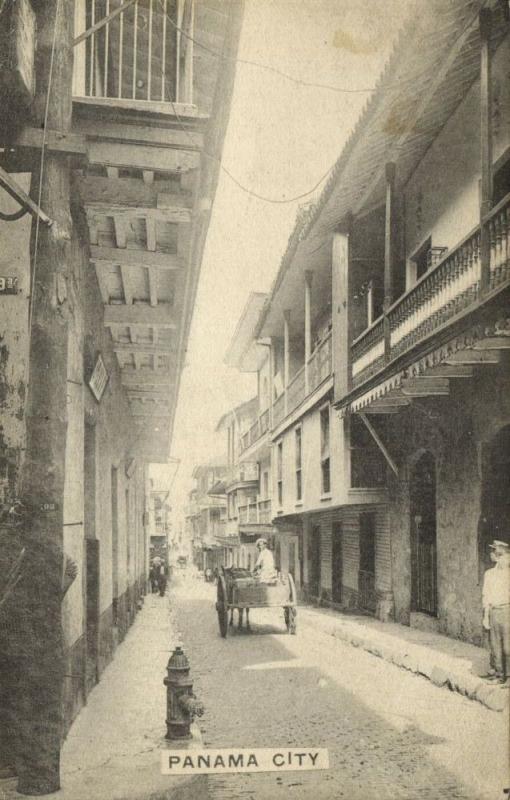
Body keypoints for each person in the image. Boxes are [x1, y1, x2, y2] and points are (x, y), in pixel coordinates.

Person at [0, 500, 78, 794]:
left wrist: (51, 598)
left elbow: (70, 569)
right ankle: (32, 774)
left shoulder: (28, 551)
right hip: (38, 643)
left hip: (23, 642)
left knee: (23, 708)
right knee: (34, 711)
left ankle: (29, 775)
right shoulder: (42, 550)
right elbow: (71, 569)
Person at [481, 539, 510, 685]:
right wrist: (486, 616)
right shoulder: (489, 574)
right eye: (498, 554)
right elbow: (486, 596)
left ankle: (509, 677)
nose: (504, 559)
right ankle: (499, 675)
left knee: (508, 646)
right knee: (495, 645)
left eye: (504, 555)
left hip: (507, 611)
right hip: (494, 611)